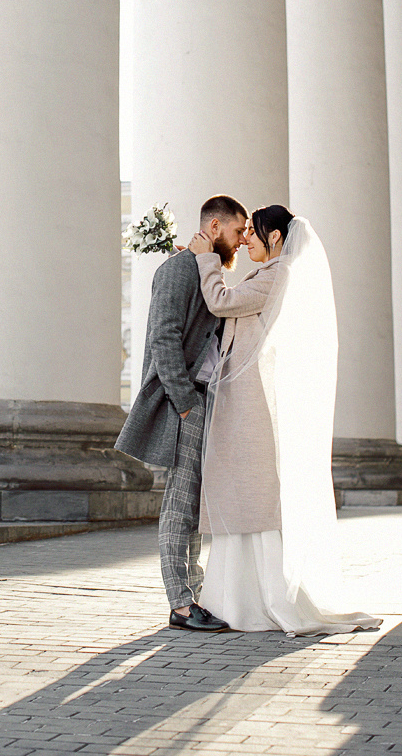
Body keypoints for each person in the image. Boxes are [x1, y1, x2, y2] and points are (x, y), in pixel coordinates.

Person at [188, 205, 381, 636]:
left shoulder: (279, 274)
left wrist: (206, 259)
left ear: (275, 237)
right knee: (246, 493)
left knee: (253, 495)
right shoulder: (272, 273)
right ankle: (240, 598)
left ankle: (255, 601)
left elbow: (221, 301)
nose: (246, 242)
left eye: (252, 234)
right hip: (247, 399)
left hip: (254, 403)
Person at [115, 194, 249, 632]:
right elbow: (164, 340)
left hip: (204, 399)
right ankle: (181, 604)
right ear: (214, 228)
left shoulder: (205, 270)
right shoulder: (177, 270)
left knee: (194, 505)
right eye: (236, 230)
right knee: (180, 503)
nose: (241, 239)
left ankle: (194, 595)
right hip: (185, 401)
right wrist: (186, 405)